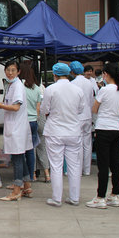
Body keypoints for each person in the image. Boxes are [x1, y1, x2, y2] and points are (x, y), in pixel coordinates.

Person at [40, 63, 85, 207]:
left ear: (55, 75)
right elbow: (81, 109)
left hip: (55, 131)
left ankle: (57, 198)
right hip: (73, 131)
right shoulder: (78, 90)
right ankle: (74, 197)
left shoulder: (51, 89)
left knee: (56, 166)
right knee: (74, 166)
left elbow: (44, 109)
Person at [85, 63, 119, 209]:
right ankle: (115, 195)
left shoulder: (104, 90)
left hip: (103, 128)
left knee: (103, 165)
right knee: (115, 163)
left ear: (106, 74)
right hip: (116, 128)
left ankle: (100, 197)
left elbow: (94, 108)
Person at [0, 61, 33, 201]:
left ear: (18, 72)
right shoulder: (11, 85)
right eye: (8, 70)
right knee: (20, 157)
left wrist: (0, 106)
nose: (10, 73)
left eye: (13, 70)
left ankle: (16, 190)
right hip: (15, 127)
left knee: (17, 159)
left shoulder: (17, 86)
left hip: (17, 128)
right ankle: (27, 186)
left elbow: (15, 107)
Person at [69, 61, 96, 177]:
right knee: (87, 143)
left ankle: (78, 169)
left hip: (78, 116)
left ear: (72, 71)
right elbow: (91, 99)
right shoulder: (89, 83)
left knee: (78, 144)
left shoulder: (73, 84)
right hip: (88, 115)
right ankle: (87, 169)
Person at [19, 64, 42, 184]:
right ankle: (31, 175)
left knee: (21, 151)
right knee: (31, 150)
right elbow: (38, 108)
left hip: (23, 121)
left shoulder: (20, 88)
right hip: (33, 121)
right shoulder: (37, 88)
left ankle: (23, 176)